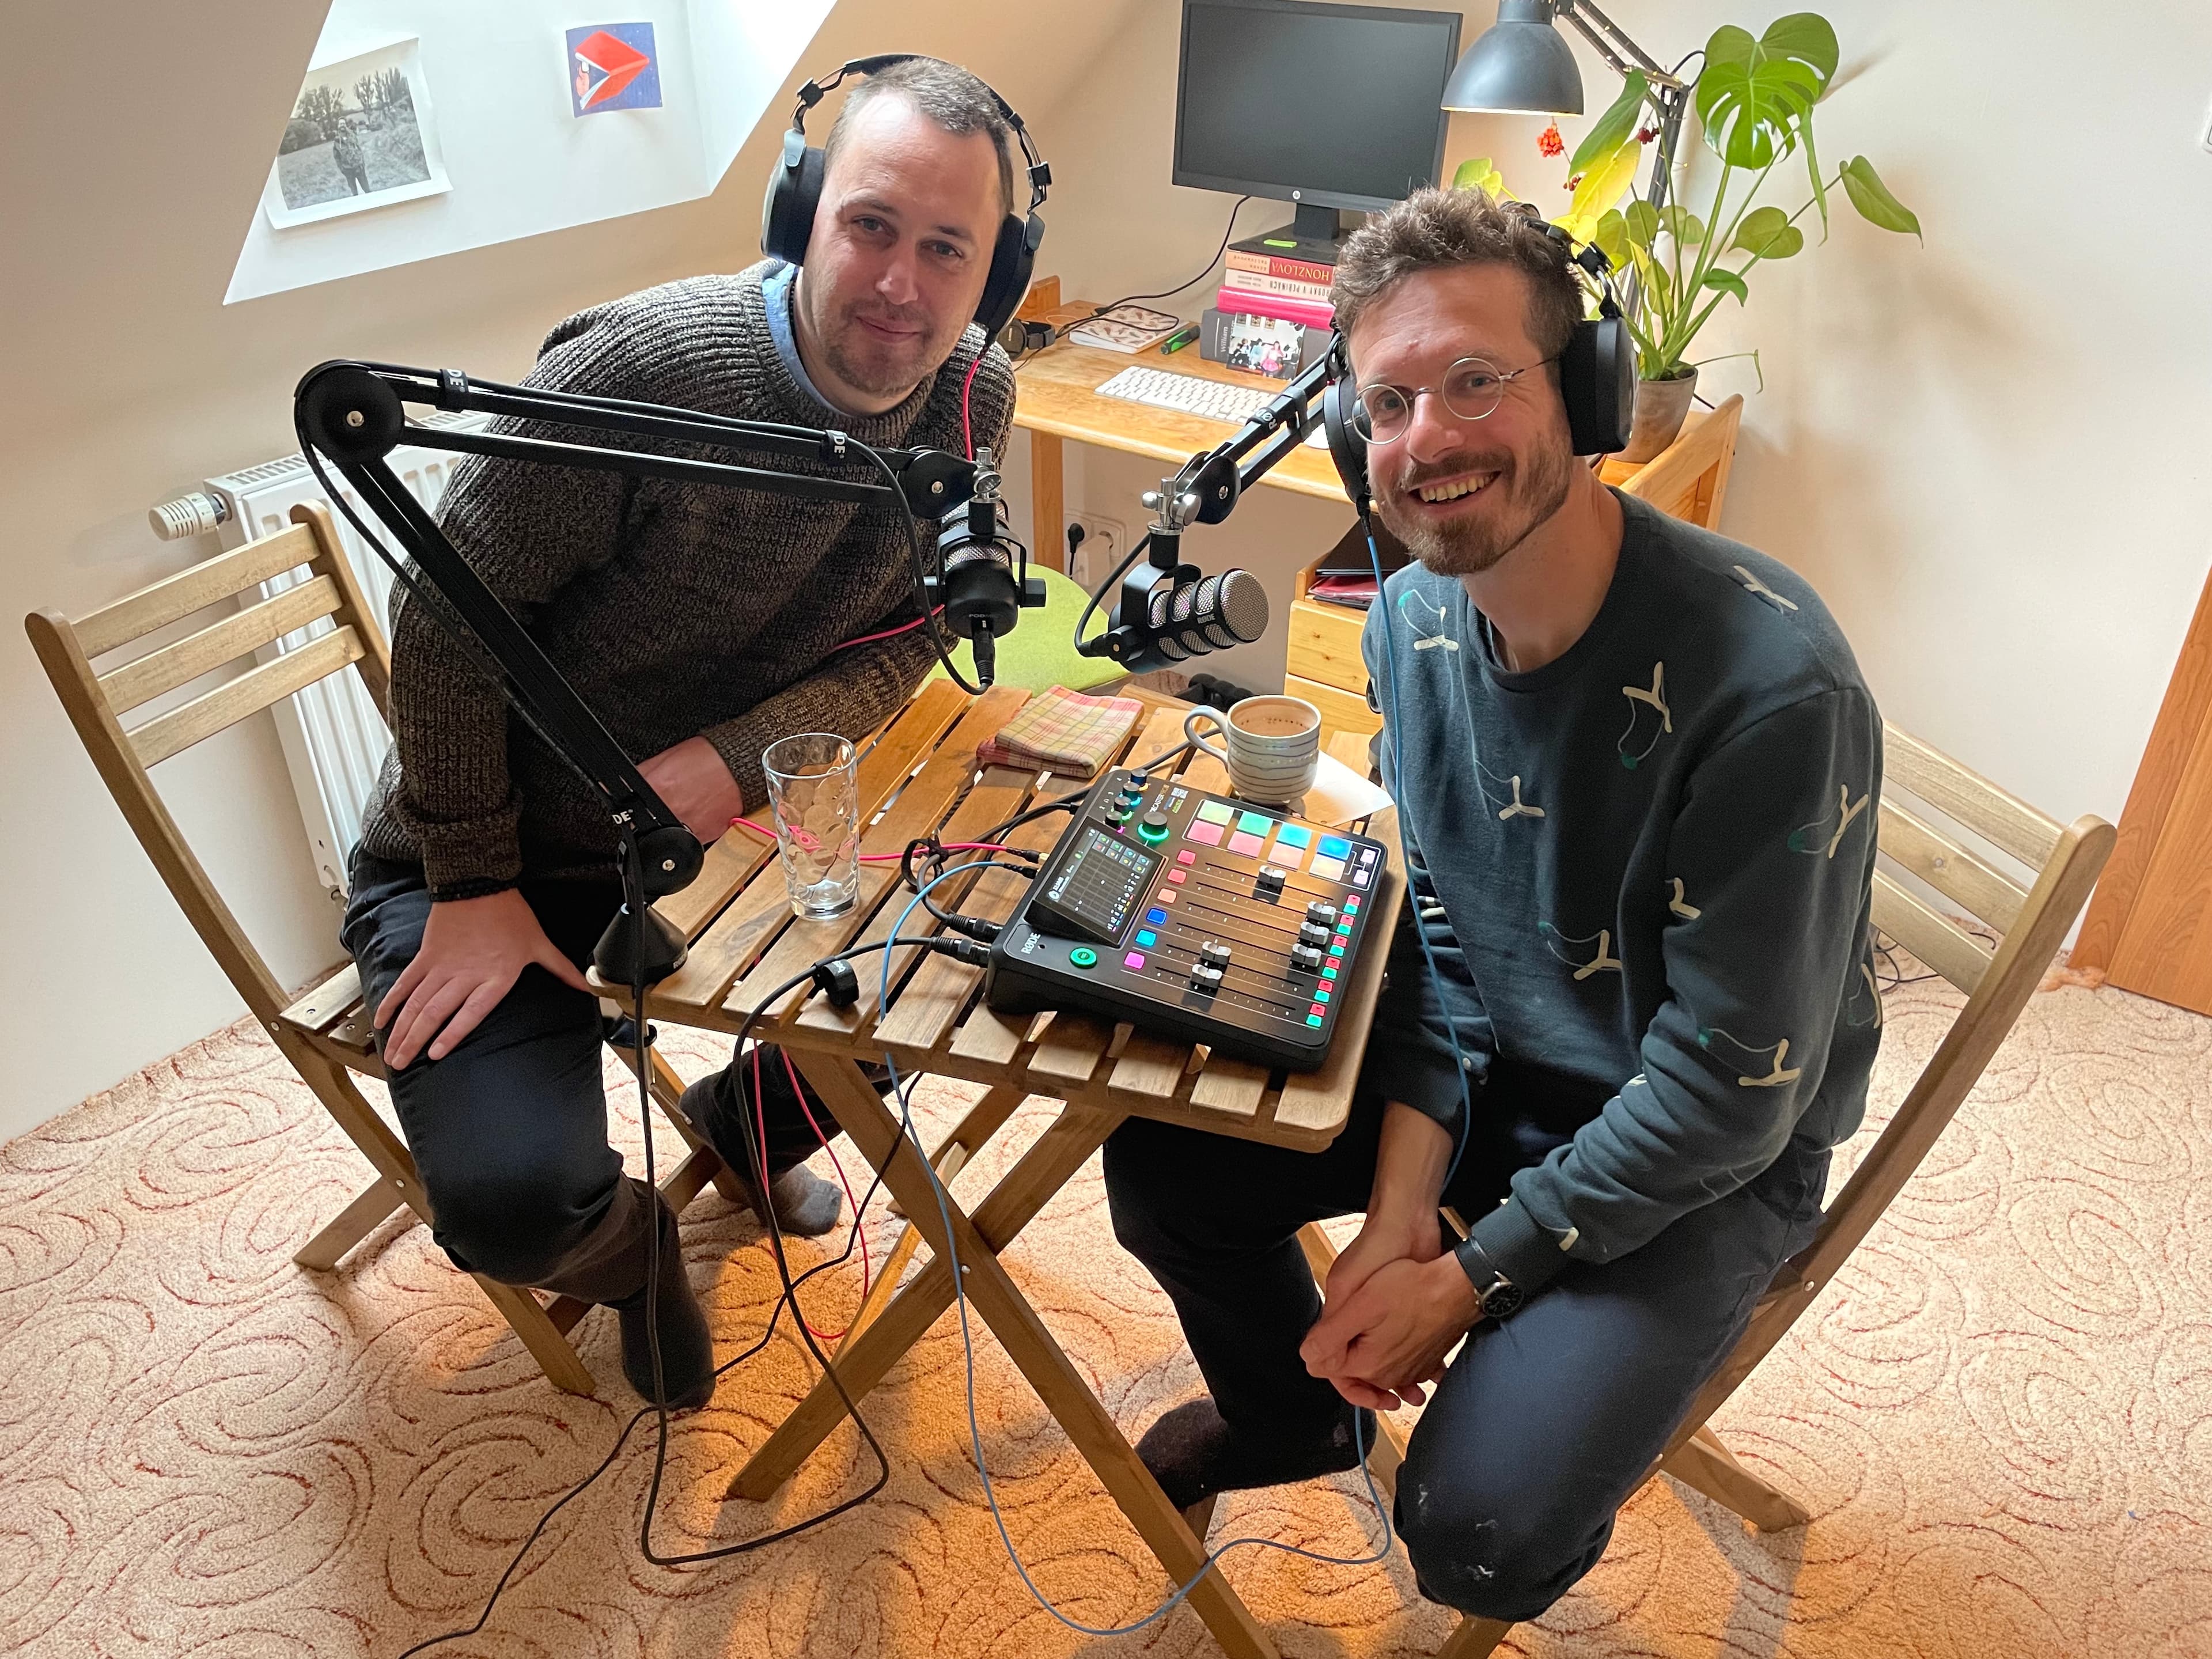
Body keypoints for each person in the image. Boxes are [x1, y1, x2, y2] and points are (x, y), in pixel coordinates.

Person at [1104, 187, 1884, 1625]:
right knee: (1166, 1171)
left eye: (1476, 381)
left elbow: (1725, 1098)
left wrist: (1463, 1281)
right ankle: (1292, 1422)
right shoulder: (1407, 618)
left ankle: (1512, 1406)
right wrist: (1405, 1204)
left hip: (1710, 1153)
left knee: (1472, 1538)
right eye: (1388, 403)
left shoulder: (1774, 691)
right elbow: (1443, 937)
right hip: (1510, 1072)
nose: (1428, 440)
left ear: (1582, 393)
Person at [341, 58, 1020, 1410]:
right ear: (805, 215)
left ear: (994, 273)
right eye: (870, 225)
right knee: (512, 1206)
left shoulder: (971, 397)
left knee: (969, 962)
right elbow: (442, 617)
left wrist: (735, 757)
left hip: (712, 841)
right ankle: (639, 1249)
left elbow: (922, 627)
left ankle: (740, 1121)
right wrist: (470, 881)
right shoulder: (643, 369)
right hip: (494, 852)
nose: (901, 282)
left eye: (947, 248)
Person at [331, 119, 370, 195]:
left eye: (344, 124)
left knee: (367, 189)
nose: (342, 125)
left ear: (346, 125)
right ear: (338, 126)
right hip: (348, 169)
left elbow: (359, 149)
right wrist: (342, 169)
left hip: (359, 166)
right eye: (340, 124)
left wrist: (362, 162)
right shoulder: (336, 141)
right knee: (354, 192)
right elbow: (337, 157)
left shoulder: (352, 136)